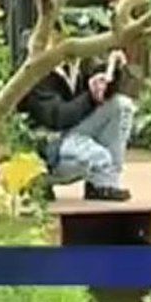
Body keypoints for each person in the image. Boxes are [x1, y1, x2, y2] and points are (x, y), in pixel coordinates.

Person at [18, 29, 135, 201]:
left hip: (71, 136)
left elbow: (101, 86)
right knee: (97, 157)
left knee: (122, 106)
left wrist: (113, 70)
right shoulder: (35, 72)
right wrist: (90, 96)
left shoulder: (77, 64)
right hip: (50, 148)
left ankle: (103, 184)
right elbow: (56, 117)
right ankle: (41, 181)